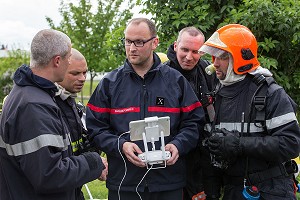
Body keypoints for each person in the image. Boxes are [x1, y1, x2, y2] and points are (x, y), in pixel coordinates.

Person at [86, 18, 205, 200]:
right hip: (124, 184)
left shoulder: (176, 81)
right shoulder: (109, 84)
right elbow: (95, 128)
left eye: (139, 42)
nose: (132, 48)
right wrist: (120, 145)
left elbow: (195, 123)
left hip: (168, 184)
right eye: (128, 41)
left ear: (154, 43)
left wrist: (178, 145)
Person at [0, 29, 106, 200]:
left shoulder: (33, 95)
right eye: (69, 56)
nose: (71, 61)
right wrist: (94, 163)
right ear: (57, 60)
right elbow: (48, 175)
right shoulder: (34, 106)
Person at [199, 24, 300, 199]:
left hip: (271, 190)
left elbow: (290, 143)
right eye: (213, 57)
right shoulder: (217, 95)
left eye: (222, 57)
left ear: (240, 58)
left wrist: (240, 145)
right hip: (234, 190)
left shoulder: (270, 93)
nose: (215, 63)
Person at [166, 26, 219, 200]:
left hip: (202, 158)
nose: (189, 57)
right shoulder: (162, 75)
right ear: (175, 46)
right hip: (171, 156)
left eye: (195, 51)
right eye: (184, 50)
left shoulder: (208, 73)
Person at [55, 48, 108, 200]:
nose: (83, 78)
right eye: (75, 73)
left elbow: (74, 149)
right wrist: (93, 163)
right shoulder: (48, 107)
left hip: (72, 189)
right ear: (60, 69)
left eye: (84, 72)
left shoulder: (70, 102)